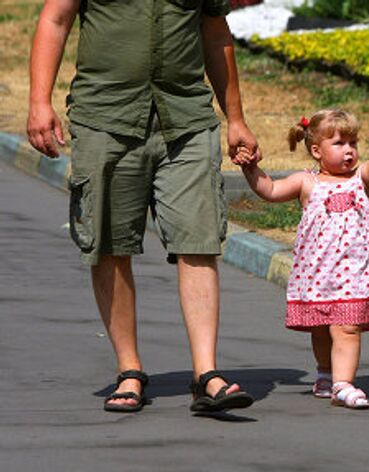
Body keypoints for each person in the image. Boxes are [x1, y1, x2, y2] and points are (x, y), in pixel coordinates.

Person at [26, 0, 259, 413]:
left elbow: (215, 32)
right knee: (111, 244)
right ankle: (129, 370)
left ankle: (206, 373)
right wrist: (39, 101)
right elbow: (55, 18)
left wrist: (235, 118)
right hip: (105, 117)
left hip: (186, 117)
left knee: (199, 238)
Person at [240, 107, 369, 409]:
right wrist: (250, 168)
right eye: (339, 144)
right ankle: (326, 373)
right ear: (316, 150)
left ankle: (344, 385)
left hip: (355, 272)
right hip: (319, 274)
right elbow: (271, 189)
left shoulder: (360, 178)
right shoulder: (306, 182)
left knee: (347, 325)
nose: (349, 151)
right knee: (321, 327)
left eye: (352, 144)